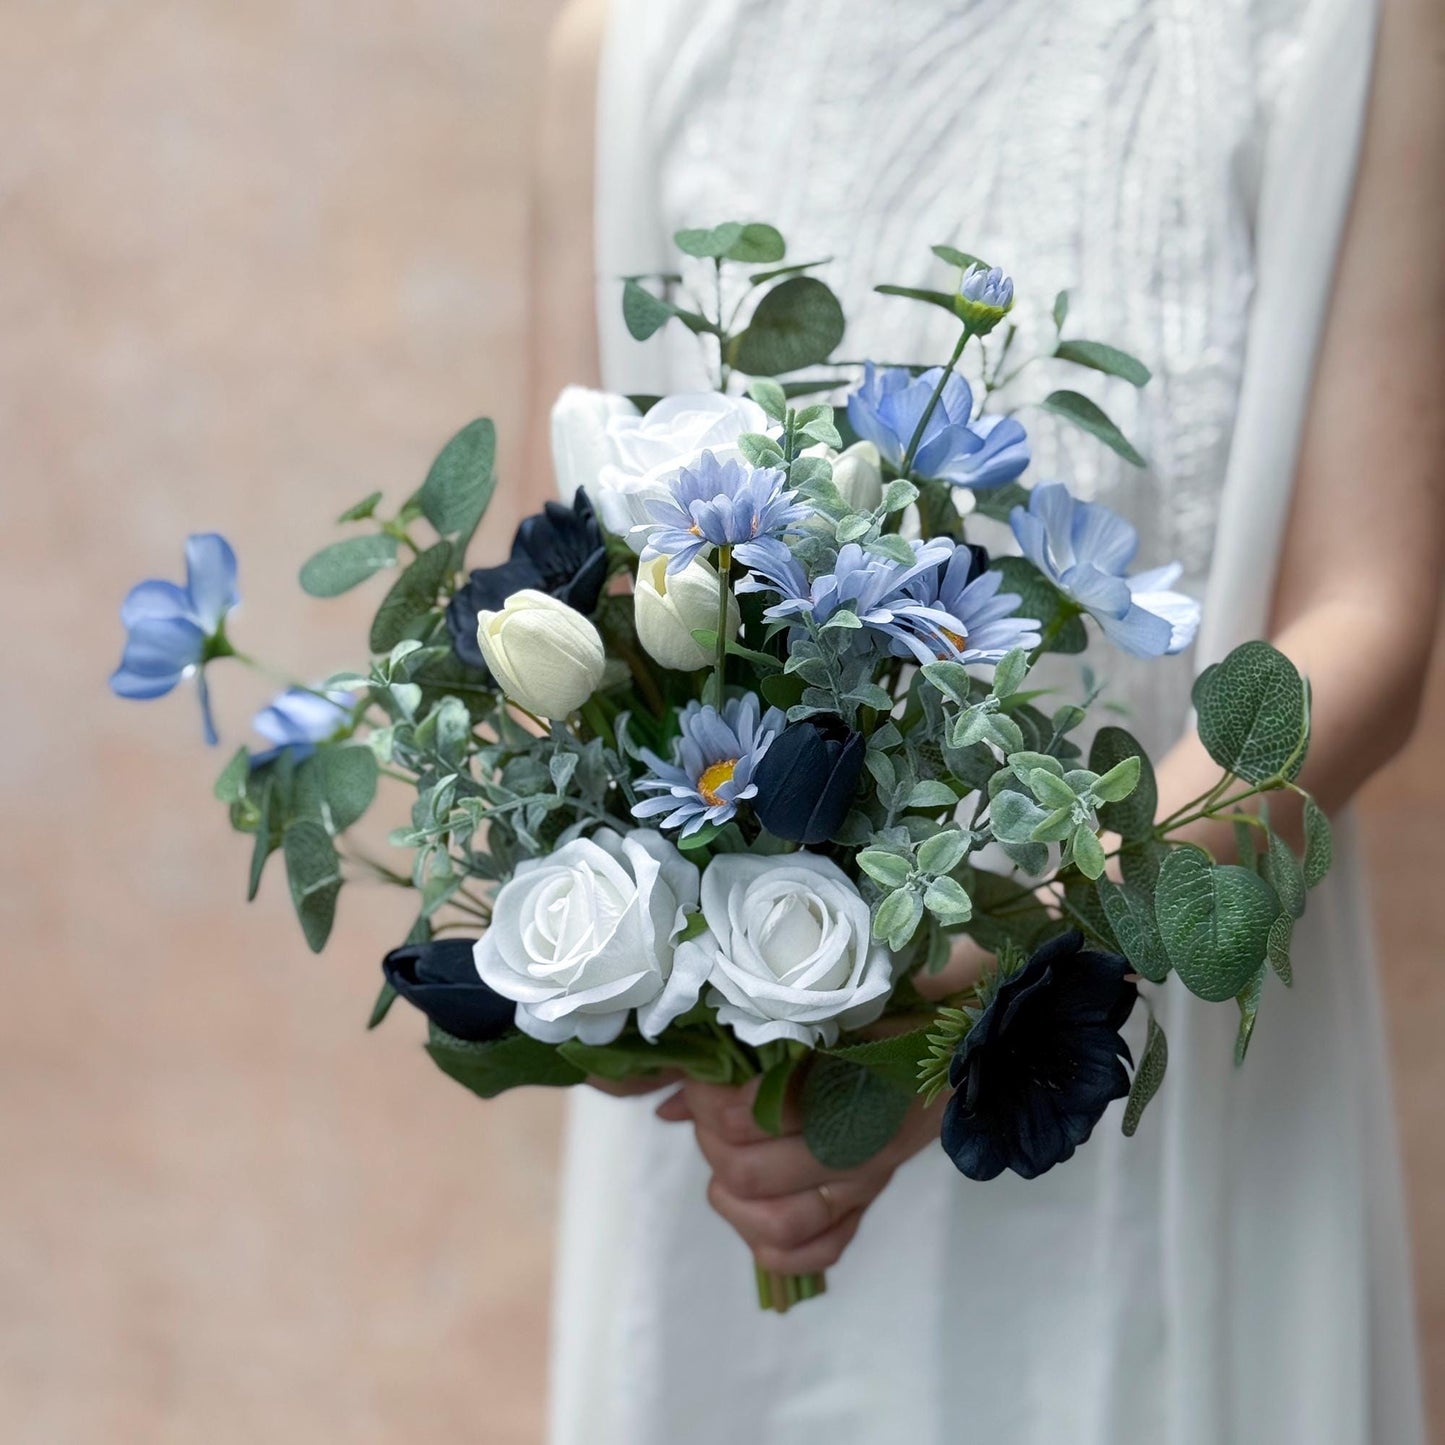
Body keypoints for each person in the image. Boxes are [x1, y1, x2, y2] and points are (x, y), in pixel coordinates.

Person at [523, 1, 1443, 1441]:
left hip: (1137, 1041)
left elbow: (1367, 623)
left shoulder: (1326, 32)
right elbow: (571, 598)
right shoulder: (638, 43)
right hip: (752, 1132)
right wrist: (725, 1025)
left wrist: (996, 980)